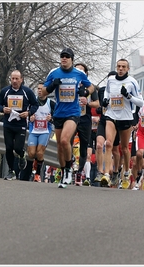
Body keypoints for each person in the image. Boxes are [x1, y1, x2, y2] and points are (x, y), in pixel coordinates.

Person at [42, 48, 94, 188]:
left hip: (73, 112)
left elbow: (91, 87)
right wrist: (52, 85)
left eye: (67, 56)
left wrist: (85, 92)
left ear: (72, 59)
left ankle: (69, 167)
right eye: (62, 56)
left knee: (65, 140)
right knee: (60, 145)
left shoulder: (79, 73)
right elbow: (43, 93)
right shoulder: (54, 73)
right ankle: (64, 170)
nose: (64, 58)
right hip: (58, 112)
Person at [102, 59, 144, 189]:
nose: (120, 69)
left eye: (123, 67)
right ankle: (106, 174)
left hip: (125, 117)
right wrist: (105, 99)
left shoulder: (132, 82)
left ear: (128, 69)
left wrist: (129, 96)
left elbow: (141, 103)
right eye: (119, 66)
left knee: (125, 148)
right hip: (111, 115)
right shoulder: (111, 80)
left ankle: (126, 172)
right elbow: (107, 92)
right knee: (108, 143)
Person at [0, 70, 39, 180]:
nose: (14, 81)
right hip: (8, 123)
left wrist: (28, 113)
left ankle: (21, 154)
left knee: (17, 147)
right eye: (12, 79)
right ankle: (11, 171)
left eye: (16, 79)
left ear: (21, 79)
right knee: (9, 147)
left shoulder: (27, 92)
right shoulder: (5, 91)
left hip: (21, 124)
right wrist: (2, 109)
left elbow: (35, 104)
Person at [72, 63, 100, 186]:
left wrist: (87, 103)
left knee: (84, 148)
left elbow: (97, 103)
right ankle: (70, 164)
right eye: (76, 70)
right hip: (71, 117)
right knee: (67, 141)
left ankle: (79, 172)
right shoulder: (69, 84)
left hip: (85, 119)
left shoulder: (91, 87)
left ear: (86, 74)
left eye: (81, 71)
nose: (78, 72)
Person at [26, 82, 56, 182]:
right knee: (31, 153)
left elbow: (57, 118)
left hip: (45, 131)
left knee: (39, 153)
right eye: (38, 89)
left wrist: (51, 119)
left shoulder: (51, 103)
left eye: (41, 89)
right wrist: (30, 118)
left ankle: (37, 174)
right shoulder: (32, 102)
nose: (39, 91)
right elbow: (26, 114)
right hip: (33, 131)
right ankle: (35, 163)